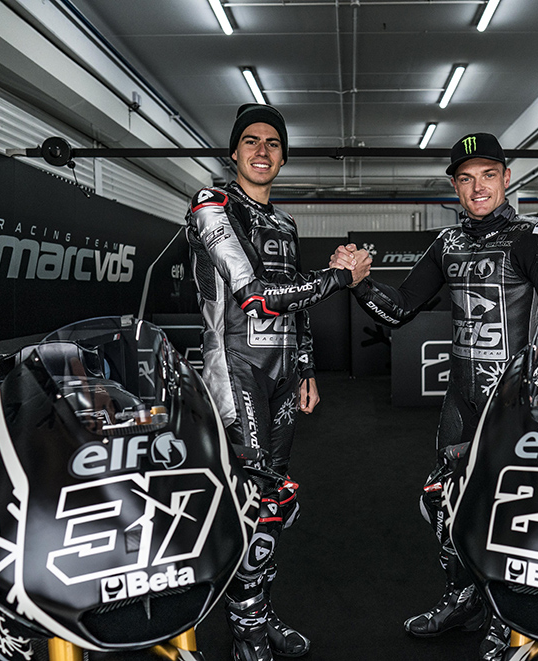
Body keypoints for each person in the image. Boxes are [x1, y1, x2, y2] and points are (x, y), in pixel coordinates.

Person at [331, 132, 538, 660]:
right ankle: (464, 599)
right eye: (466, 178)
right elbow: (399, 309)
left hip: (518, 402)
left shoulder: (537, 234)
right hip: (462, 398)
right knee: (443, 501)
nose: (478, 188)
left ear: (507, 177)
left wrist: (526, 393)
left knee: (514, 509)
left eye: (488, 175)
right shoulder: (448, 243)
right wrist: (358, 283)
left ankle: (508, 617)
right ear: (454, 186)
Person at [185, 103, 370, 661]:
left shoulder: (285, 223)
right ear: (233, 152)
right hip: (234, 368)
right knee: (252, 499)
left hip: (283, 373)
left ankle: (257, 613)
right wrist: (339, 277)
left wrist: (306, 367)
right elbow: (256, 298)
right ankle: (245, 630)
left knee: (274, 500)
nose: (262, 150)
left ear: (283, 157)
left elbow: (295, 305)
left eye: (272, 143)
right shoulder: (211, 205)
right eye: (251, 140)